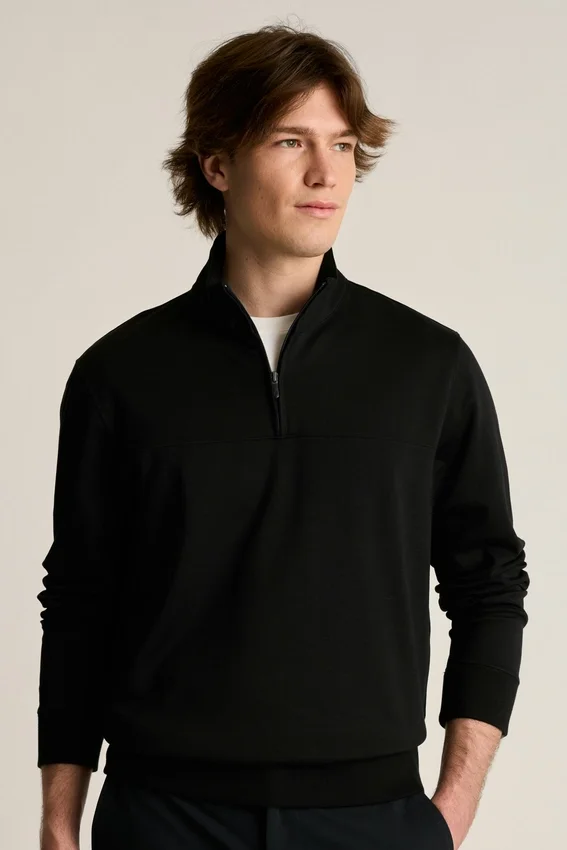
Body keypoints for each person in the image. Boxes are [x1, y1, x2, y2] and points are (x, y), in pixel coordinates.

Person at [37, 22, 530, 850]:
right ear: (217, 165)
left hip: (373, 818)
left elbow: (489, 582)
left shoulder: (426, 365)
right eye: (290, 140)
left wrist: (451, 806)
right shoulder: (120, 373)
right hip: (164, 817)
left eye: (343, 145)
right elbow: (81, 600)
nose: (325, 173)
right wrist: (59, 818)